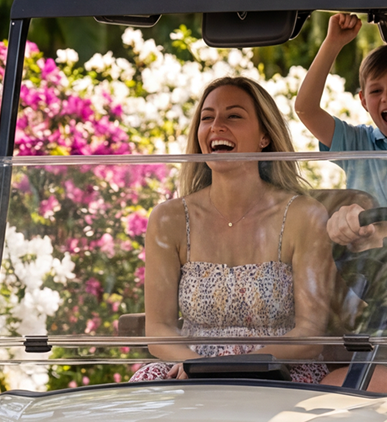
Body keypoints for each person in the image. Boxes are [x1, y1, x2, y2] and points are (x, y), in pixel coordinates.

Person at [135, 78, 334, 383]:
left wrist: (239, 366)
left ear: (264, 137)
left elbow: (310, 334)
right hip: (190, 370)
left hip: (277, 372)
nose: (217, 126)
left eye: (233, 116)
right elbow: (158, 329)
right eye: (207, 118)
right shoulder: (168, 219)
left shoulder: (304, 216)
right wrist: (198, 365)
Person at [295, 14, 387, 208]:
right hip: (365, 230)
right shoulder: (356, 143)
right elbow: (306, 109)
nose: (386, 97)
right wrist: (333, 43)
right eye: (376, 91)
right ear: (363, 101)